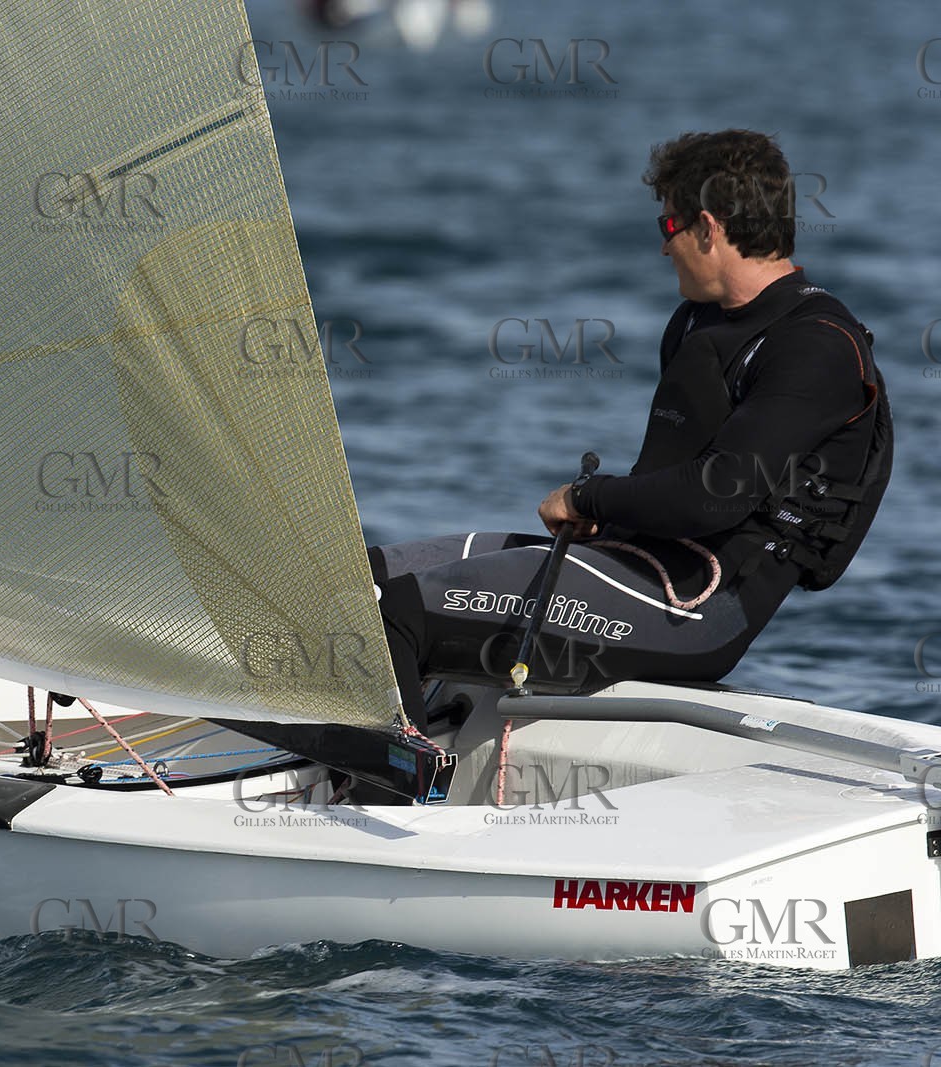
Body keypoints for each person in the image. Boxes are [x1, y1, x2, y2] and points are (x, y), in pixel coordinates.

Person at [372, 129, 893, 726]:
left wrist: (587, 495)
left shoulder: (818, 347)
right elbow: (667, 477)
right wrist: (610, 512)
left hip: (694, 611)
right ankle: (316, 759)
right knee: (359, 582)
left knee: (396, 617)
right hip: (625, 564)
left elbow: (712, 495)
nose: (664, 248)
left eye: (667, 228)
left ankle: (393, 795)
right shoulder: (697, 321)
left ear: (708, 226)